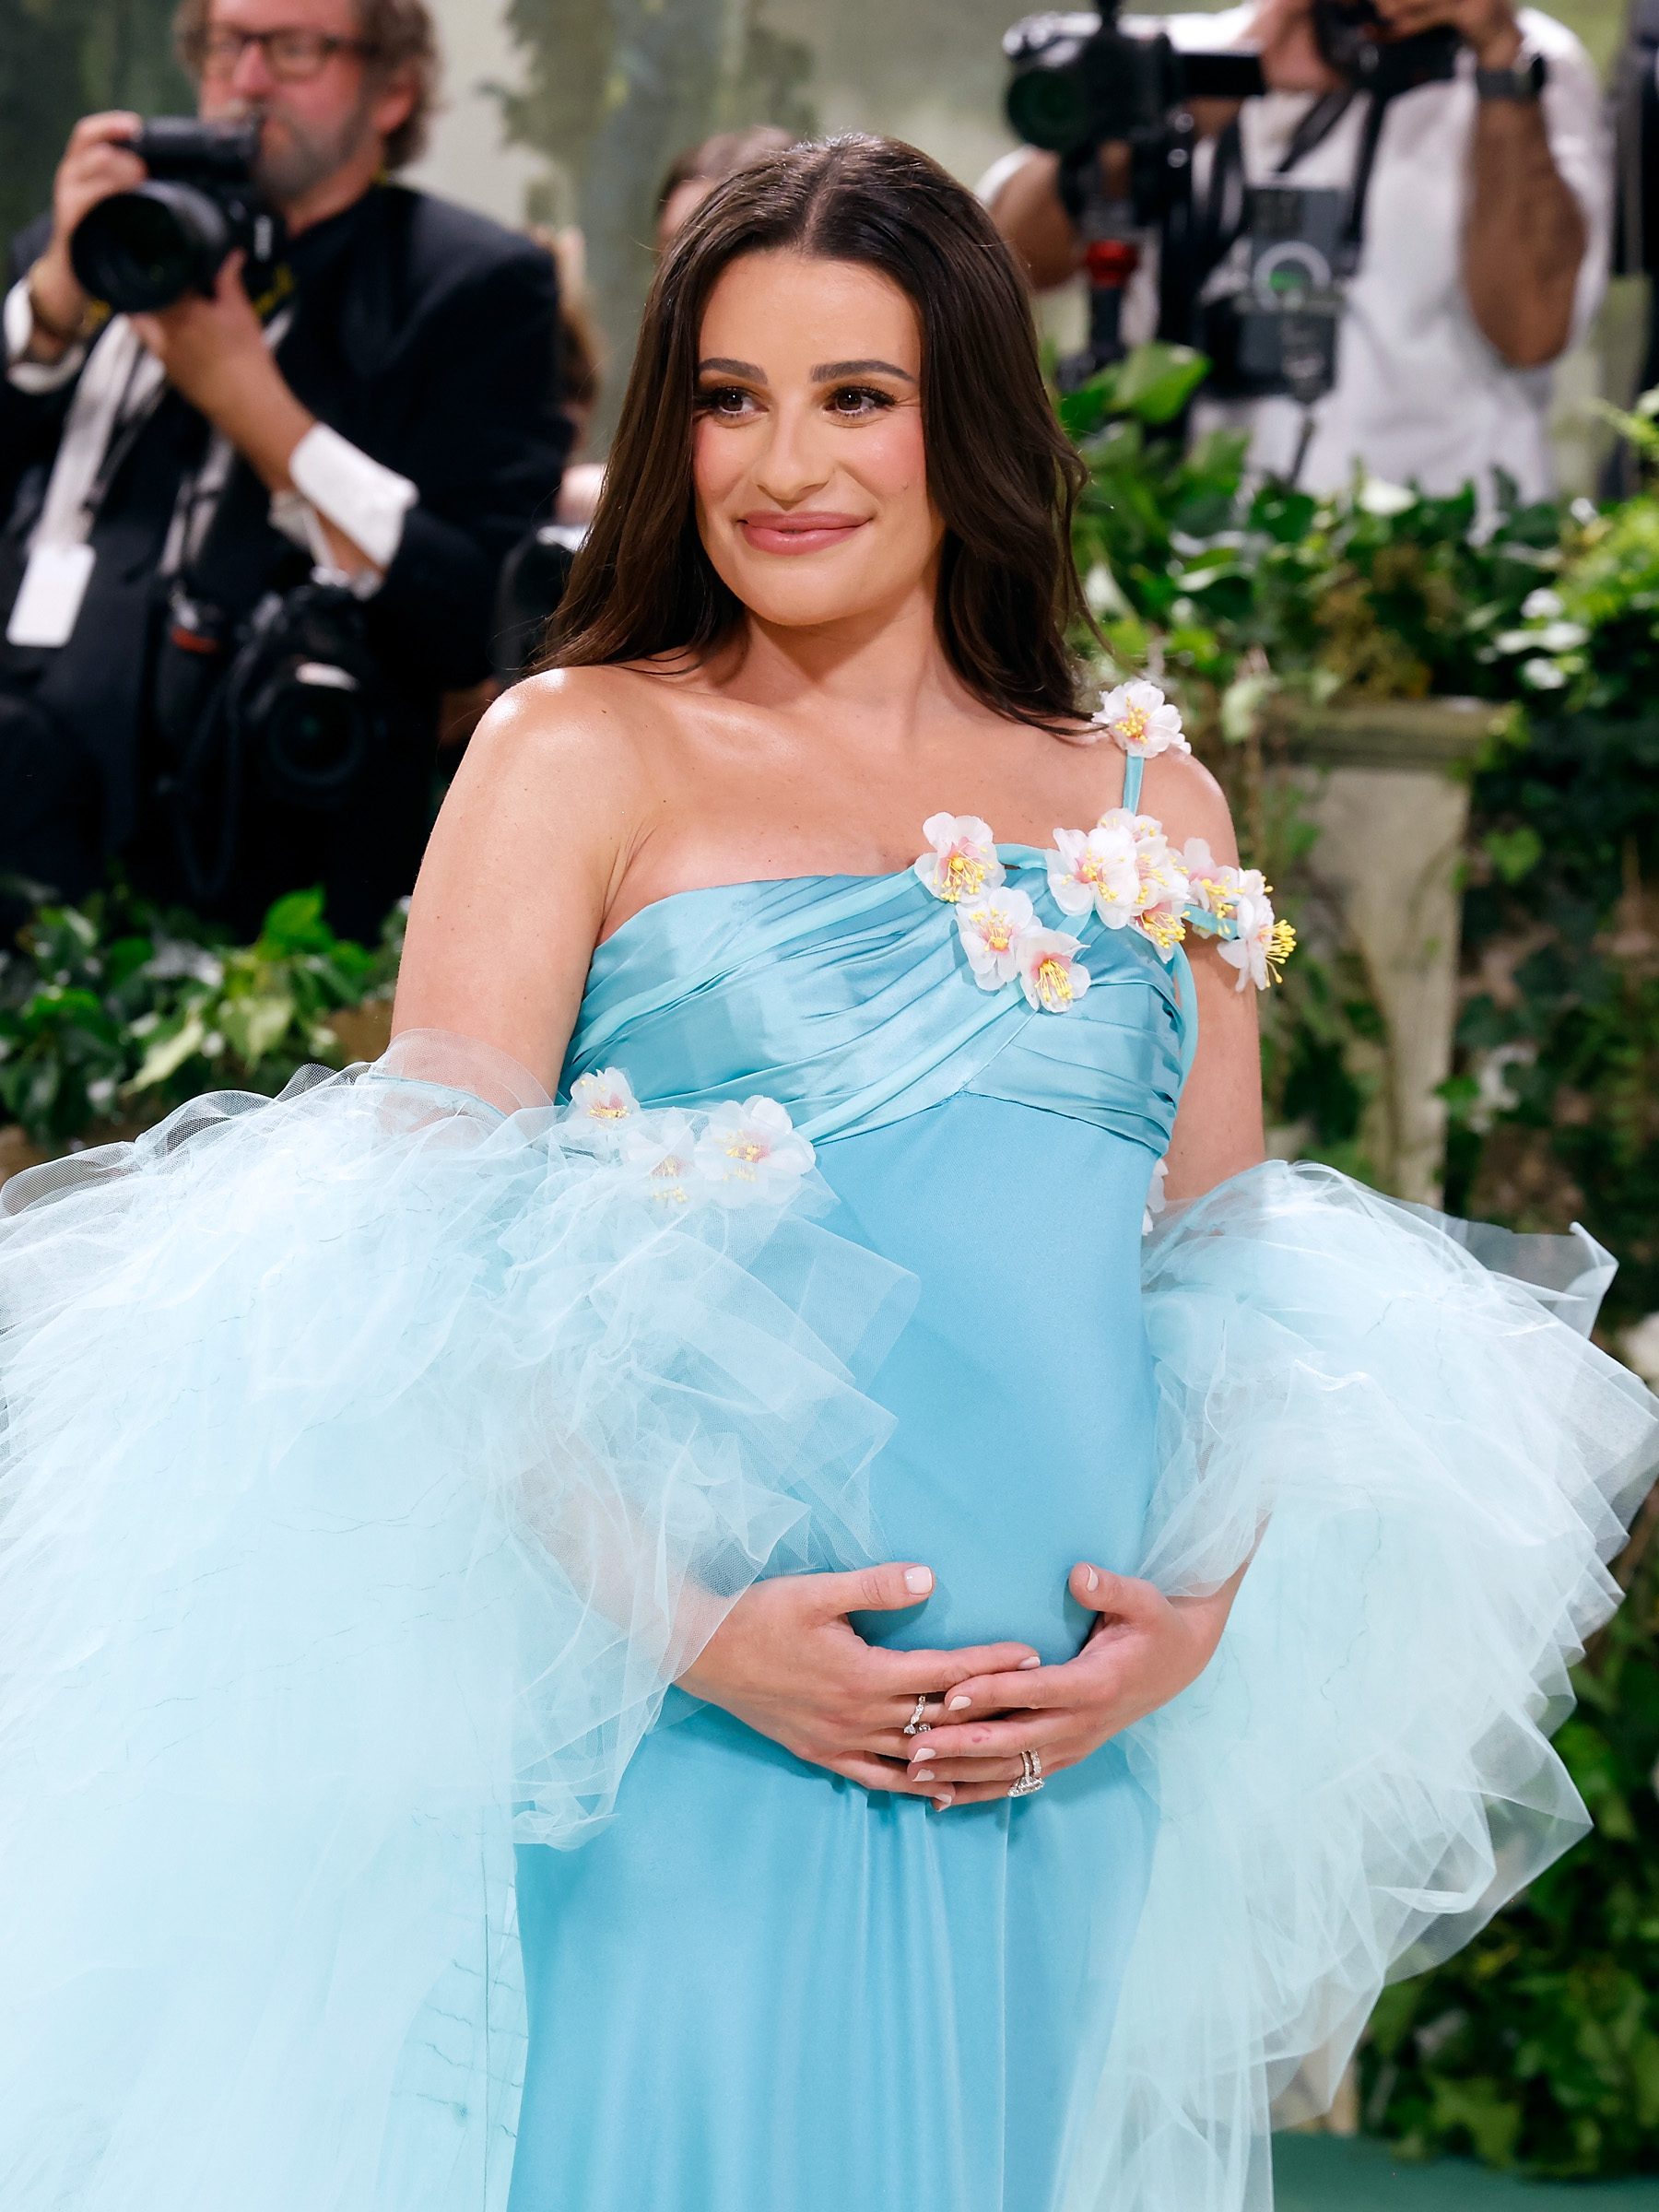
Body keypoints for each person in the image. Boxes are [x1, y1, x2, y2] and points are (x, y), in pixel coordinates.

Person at [0, 133, 1653, 2212]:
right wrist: (692, 1637)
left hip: (1055, 1754)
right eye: (730, 397)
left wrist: (1194, 1626)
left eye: (854, 397)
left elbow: (1228, 1266)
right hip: (675, 1732)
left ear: (963, 423)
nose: (785, 463)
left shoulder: (1155, 800)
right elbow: (422, 1274)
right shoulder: (577, 748)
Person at [0, 0, 568, 942]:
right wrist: (52, 302)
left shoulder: (472, 284)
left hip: (263, 884)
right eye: (227, 43)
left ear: (393, 88)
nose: (248, 81)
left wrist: (253, 406)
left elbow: (472, 614)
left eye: (294, 48)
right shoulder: (106, 241)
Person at [986, 0, 1610, 498]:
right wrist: (1189, 104)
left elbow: (1530, 329)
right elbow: (998, 265)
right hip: (1194, 550)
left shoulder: (1530, 62)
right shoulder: (1199, 53)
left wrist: (1499, 63)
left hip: (1439, 557)